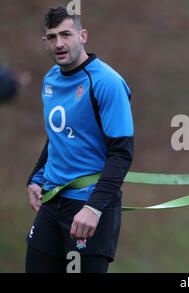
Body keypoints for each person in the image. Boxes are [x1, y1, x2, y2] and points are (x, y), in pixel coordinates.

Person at [25, 7, 134, 273]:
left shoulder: (107, 83)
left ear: (82, 36)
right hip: (52, 201)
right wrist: (35, 179)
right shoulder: (50, 79)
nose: (59, 43)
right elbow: (57, 137)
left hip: (88, 205)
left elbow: (121, 153)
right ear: (45, 42)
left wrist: (94, 208)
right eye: (52, 37)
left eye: (66, 34)